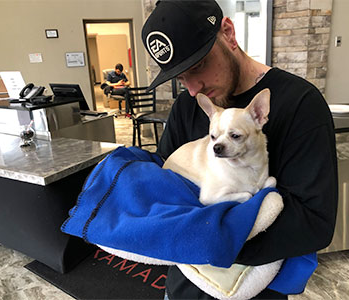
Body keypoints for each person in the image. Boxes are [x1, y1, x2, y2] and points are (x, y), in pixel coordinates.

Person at [141, 0, 338, 299]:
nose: (193, 88)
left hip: (257, 290)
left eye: (197, 66)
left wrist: (210, 241)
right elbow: (164, 188)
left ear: (229, 34)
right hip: (183, 287)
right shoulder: (188, 105)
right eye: (181, 78)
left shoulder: (300, 104)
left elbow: (315, 223)